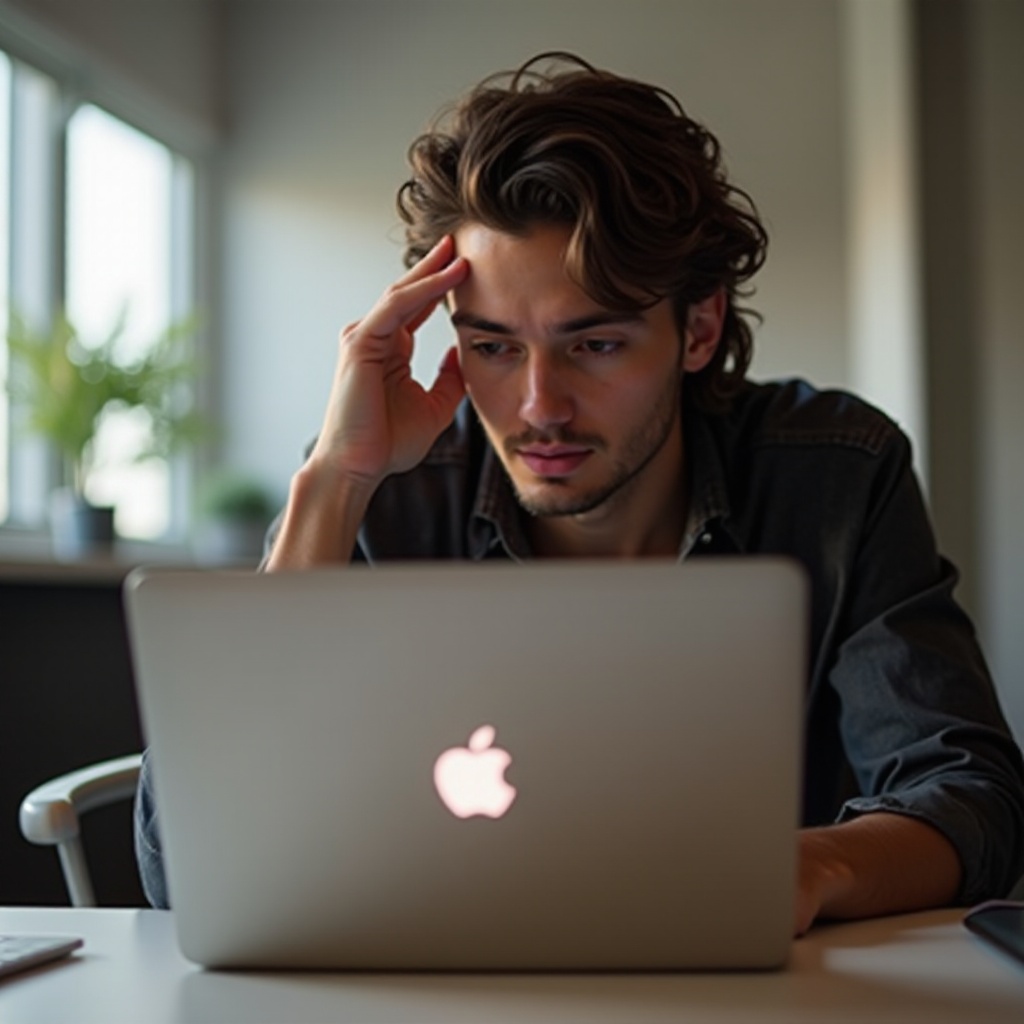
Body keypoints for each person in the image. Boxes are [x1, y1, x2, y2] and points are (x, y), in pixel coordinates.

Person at [136, 53, 1024, 933]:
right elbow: (185, 867)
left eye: (593, 345)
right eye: (492, 347)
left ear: (699, 327)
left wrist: (802, 870)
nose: (538, 408)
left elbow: (972, 801)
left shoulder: (833, 473)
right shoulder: (385, 492)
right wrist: (334, 481)